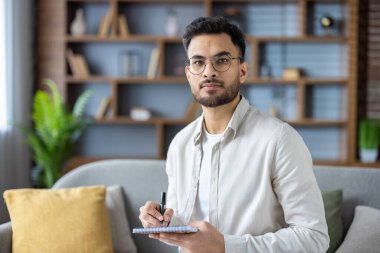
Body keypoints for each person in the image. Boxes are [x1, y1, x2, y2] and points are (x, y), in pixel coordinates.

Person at [139, 16, 329, 253]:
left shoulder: (280, 140)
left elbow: (314, 239)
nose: (209, 72)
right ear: (189, 74)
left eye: (222, 60)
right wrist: (162, 222)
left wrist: (226, 246)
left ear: (242, 70)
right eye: (198, 62)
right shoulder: (180, 144)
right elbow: (187, 230)